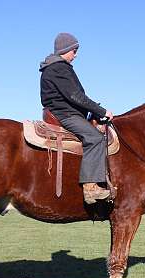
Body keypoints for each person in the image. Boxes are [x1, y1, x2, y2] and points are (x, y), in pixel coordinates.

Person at [39, 32, 114, 204]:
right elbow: (76, 96)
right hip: (65, 113)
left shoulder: (56, 67)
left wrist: (94, 112)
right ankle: (90, 188)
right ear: (65, 50)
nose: (76, 54)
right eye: (74, 50)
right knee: (95, 138)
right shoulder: (59, 68)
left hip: (65, 111)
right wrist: (102, 111)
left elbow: (77, 97)